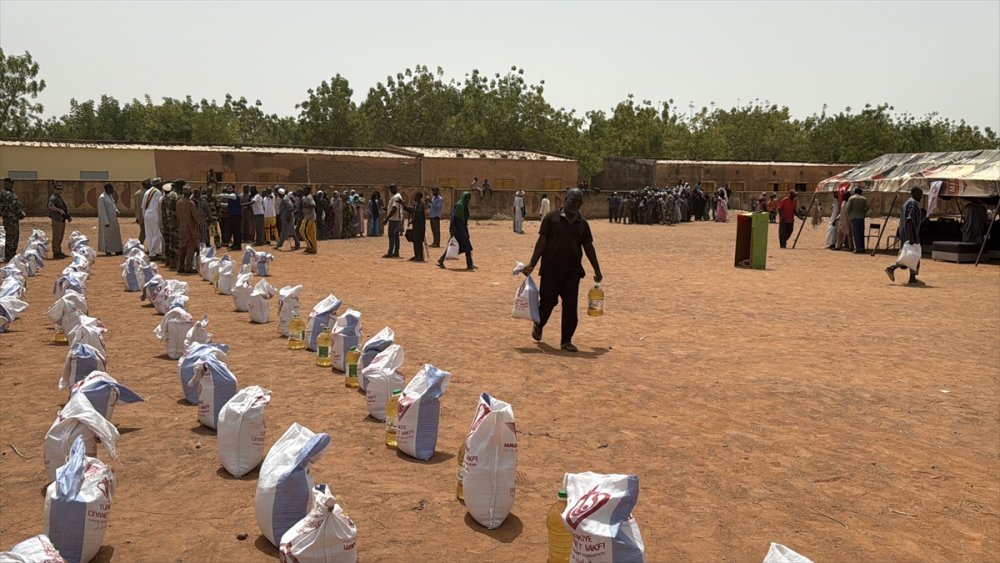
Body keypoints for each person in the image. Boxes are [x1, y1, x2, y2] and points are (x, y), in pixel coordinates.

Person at [520, 188, 602, 353]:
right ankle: (539, 324)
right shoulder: (551, 218)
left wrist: (597, 270)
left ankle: (566, 340)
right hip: (551, 269)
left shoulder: (582, 224)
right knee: (548, 303)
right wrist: (532, 264)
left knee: (570, 306)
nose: (575, 205)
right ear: (565, 200)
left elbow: (588, 247)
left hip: (573, 271)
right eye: (572, 201)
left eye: (579, 203)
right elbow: (541, 242)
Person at [885, 187, 925, 285]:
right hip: (910, 235)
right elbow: (909, 219)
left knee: (910, 256)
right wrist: (911, 237)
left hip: (906, 234)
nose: (921, 196)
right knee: (912, 256)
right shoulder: (913, 204)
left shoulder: (907, 202)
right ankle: (893, 269)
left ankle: (911, 277)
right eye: (920, 194)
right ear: (914, 193)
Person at [436, 191, 476, 270]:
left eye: (469, 198)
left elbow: (464, 222)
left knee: (459, 246)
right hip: (458, 231)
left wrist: (466, 232)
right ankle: (469, 264)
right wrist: (452, 231)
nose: (468, 200)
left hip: (462, 231)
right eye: (467, 198)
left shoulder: (464, 206)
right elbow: (454, 220)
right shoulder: (460, 206)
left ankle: (441, 260)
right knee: (461, 246)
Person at [175, 186, 200, 274]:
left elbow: (177, 216)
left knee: (182, 246)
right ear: (189, 193)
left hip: (181, 226)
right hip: (189, 226)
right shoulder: (191, 203)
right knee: (191, 246)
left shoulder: (178, 202)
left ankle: (180, 266)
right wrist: (198, 222)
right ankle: (188, 267)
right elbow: (196, 217)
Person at [1, 178, 26, 262]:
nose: (11, 185)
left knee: (14, 236)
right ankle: (9, 255)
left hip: (12, 219)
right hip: (10, 219)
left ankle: (12, 254)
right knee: (11, 237)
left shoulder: (7, 193)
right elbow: (14, 205)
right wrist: (21, 214)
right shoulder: (7, 194)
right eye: (9, 183)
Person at [97, 183, 123, 255]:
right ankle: (108, 250)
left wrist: (117, 211)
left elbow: (114, 206)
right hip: (107, 221)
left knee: (115, 236)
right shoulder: (102, 197)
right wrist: (106, 222)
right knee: (107, 237)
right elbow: (102, 211)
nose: (112, 190)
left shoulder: (110, 196)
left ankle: (117, 249)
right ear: (106, 189)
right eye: (111, 189)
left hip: (113, 219)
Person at [48, 182, 72, 259]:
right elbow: (50, 206)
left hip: (61, 219)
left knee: (60, 236)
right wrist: (58, 210)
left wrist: (67, 216)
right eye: (58, 189)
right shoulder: (53, 197)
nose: (60, 191)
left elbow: (64, 208)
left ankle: (59, 251)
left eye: (61, 189)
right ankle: (56, 252)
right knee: (56, 236)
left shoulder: (59, 197)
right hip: (56, 219)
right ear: (54, 189)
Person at [142, 178, 164, 258]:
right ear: (157, 184)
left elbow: (143, 206)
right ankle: (153, 253)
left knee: (149, 234)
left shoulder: (147, 192)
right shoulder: (158, 192)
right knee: (157, 234)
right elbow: (159, 206)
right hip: (155, 215)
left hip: (147, 214)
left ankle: (153, 250)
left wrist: (144, 215)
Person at [161, 181, 180, 269]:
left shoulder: (164, 198)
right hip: (174, 223)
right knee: (175, 242)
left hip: (166, 223)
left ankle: (168, 261)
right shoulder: (174, 196)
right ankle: (175, 262)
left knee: (168, 242)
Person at [845, 187, 870, 253]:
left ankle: (858, 248)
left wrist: (850, 213)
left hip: (854, 217)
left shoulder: (851, 198)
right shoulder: (864, 199)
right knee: (861, 233)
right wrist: (863, 212)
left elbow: (848, 208)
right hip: (861, 217)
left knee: (856, 233)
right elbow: (867, 208)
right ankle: (862, 248)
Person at [403, 191, 426, 261]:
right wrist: (403, 205)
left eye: (416, 196)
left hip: (420, 226)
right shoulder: (416, 205)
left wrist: (408, 207)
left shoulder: (421, 205)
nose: (414, 197)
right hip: (415, 225)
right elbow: (411, 210)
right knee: (415, 240)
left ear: (419, 197)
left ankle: (421, 256)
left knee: (419, 241)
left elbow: (417, 211)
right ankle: (416, 255)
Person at [383, 184, 404, 258]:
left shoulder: (396, 197)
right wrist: (387, 209)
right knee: (395, 236)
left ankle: (390, 252)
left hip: (394, 219)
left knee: (391, 235)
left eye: (392, 188)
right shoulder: (395, 196)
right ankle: (396, 252)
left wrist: (387, 218)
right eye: (390, 189)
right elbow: (393, 207)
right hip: (396, 219)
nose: (391, 190)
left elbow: (394, 208)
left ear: (395, 188)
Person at [298, 185, 318, 254]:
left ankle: (310, 247)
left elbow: (313, 205)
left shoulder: (309, 197)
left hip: (309, 217)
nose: (303, 191)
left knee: (302, 231)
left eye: (304, 190)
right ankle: (313, 248)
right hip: (309, 216)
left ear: (308, 191)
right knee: (311, 233)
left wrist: (305, 206)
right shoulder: (307, 197)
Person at [134, 179, 149, 244]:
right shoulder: (148, 193)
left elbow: (136, 207)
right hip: (146, 216)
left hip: (140, 216)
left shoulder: (137, 193)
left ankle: (140, 244)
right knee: (148, 232)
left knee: (142, 231)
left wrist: (137, 217)